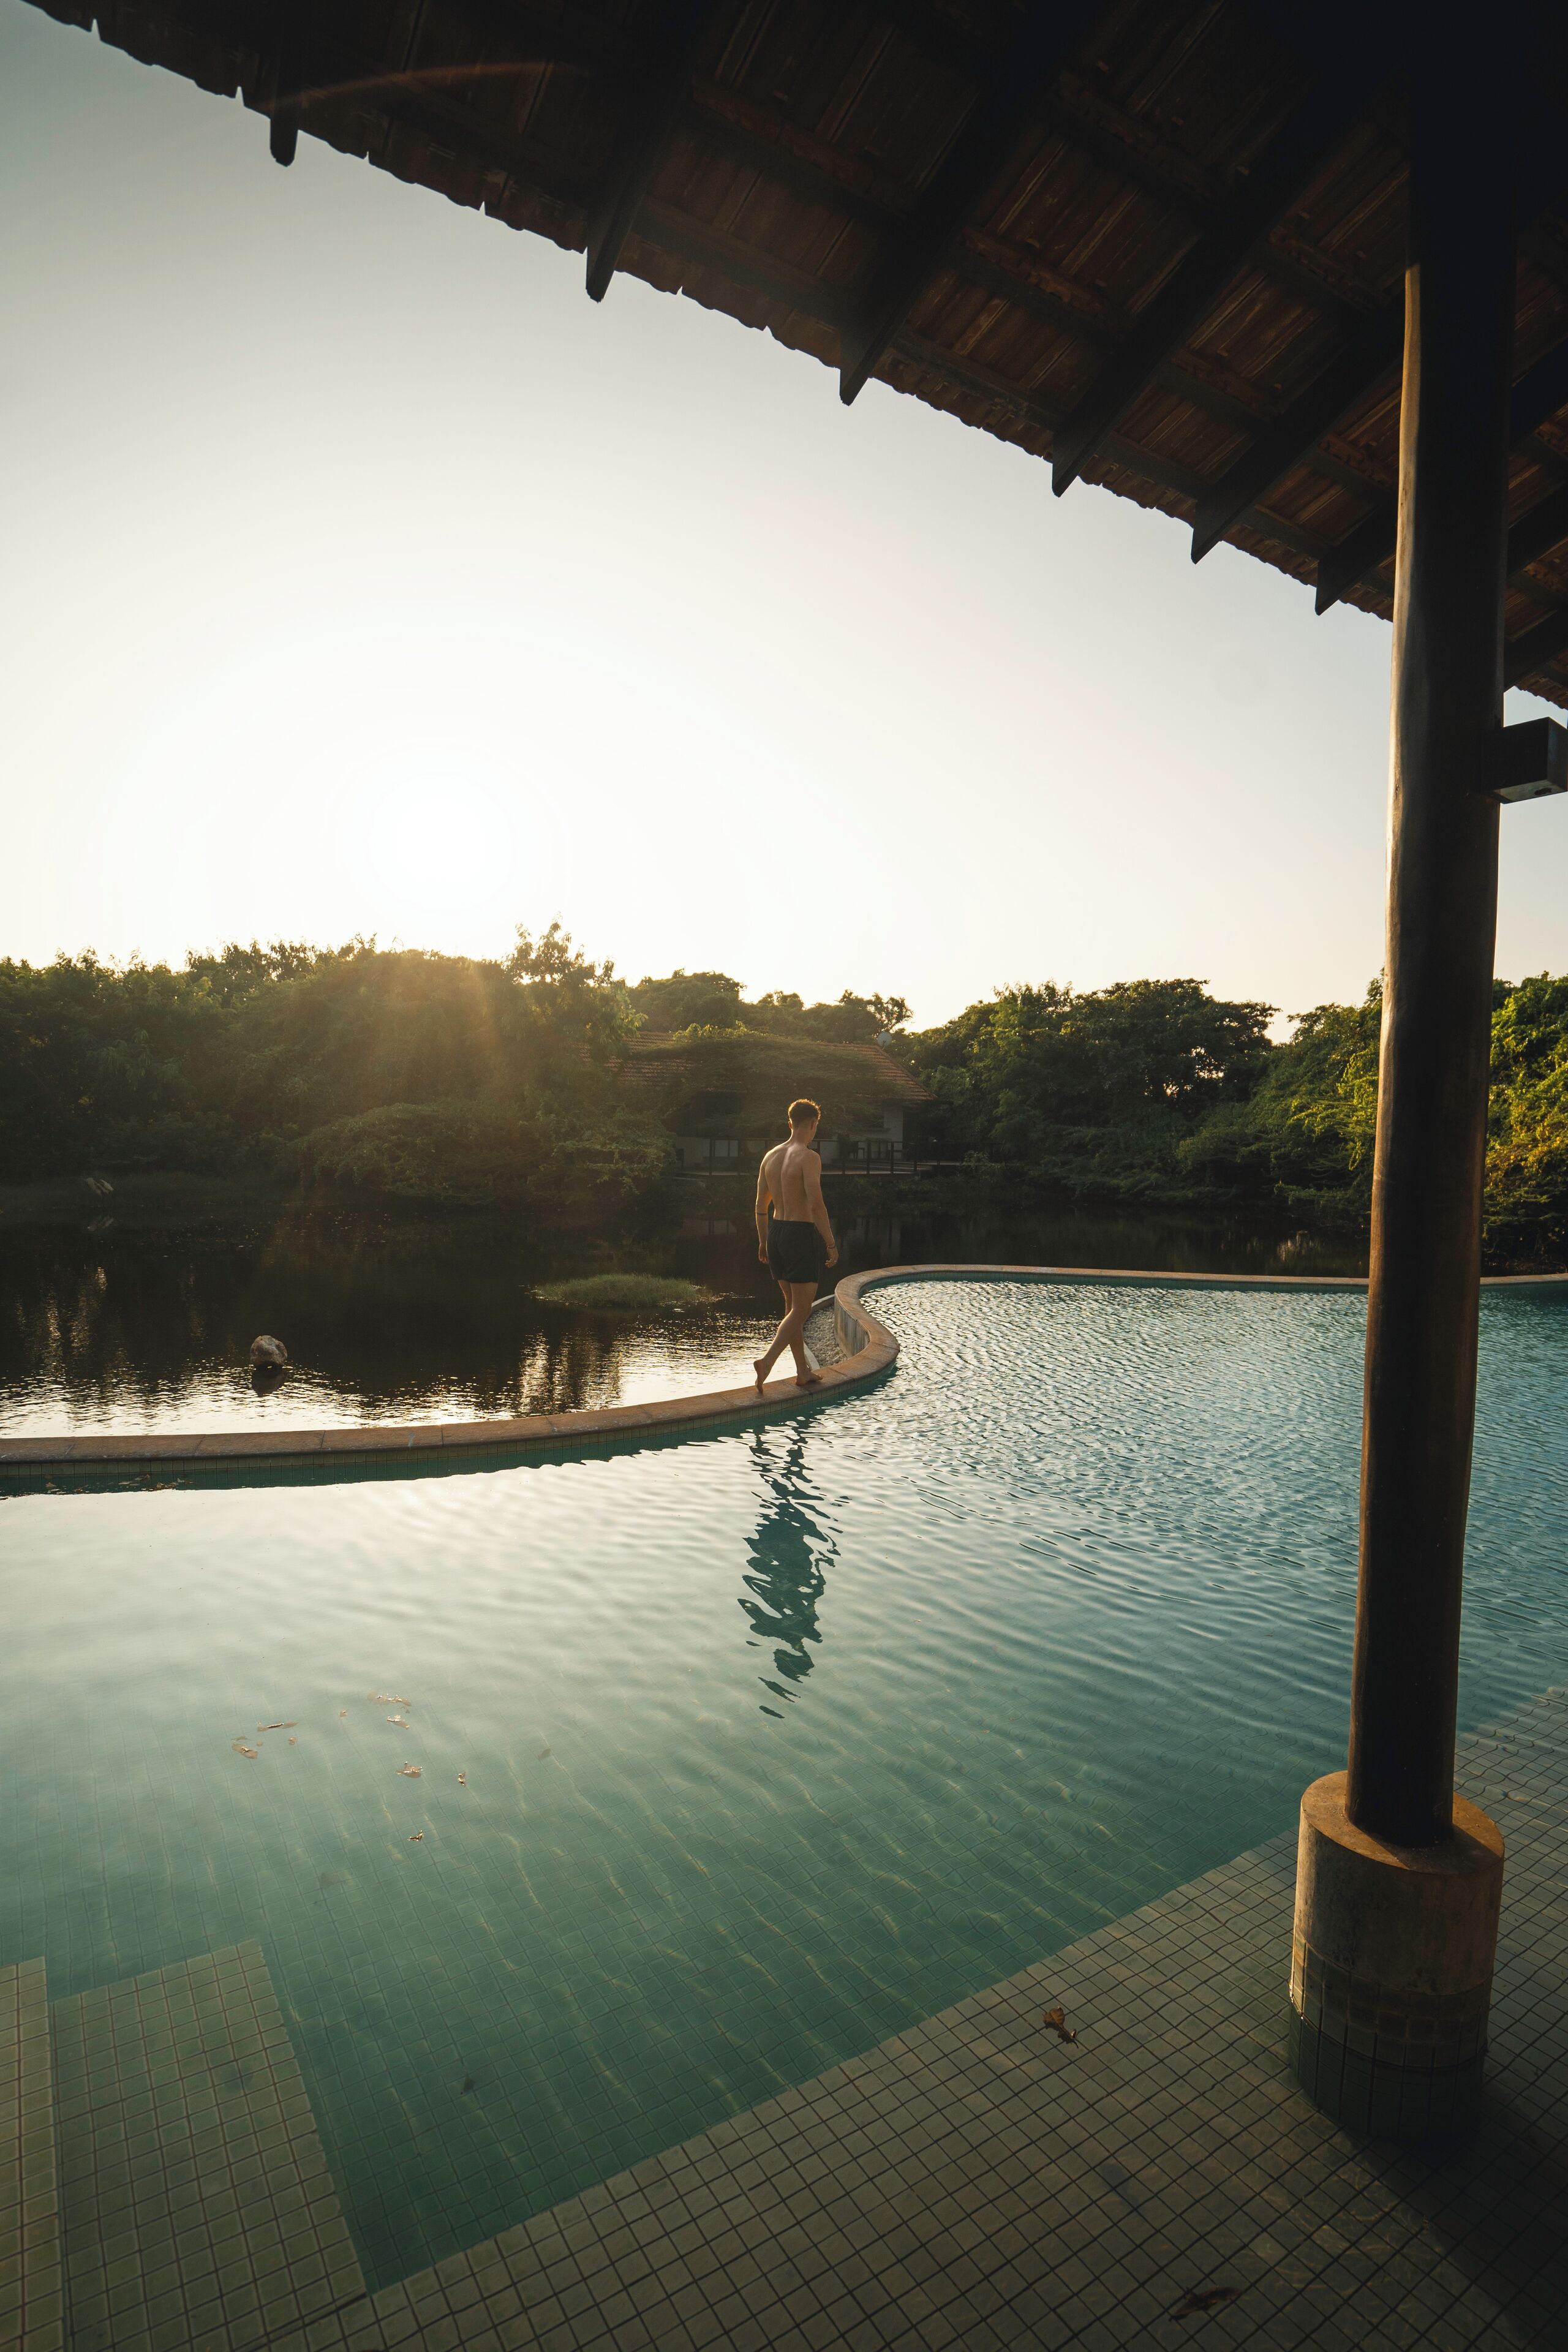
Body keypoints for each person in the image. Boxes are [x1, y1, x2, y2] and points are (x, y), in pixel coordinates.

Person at [753, 1098, 839, 1390]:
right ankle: (767, 1361)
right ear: (813, 1125)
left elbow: (760, 1206)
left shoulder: (770, 1157)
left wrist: (763, 1241)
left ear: (790, 1123)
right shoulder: (808, 1157)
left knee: (792, 1307)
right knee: (802, 1310)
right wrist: (831, 1244)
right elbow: (816, 1206)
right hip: (800, 1235)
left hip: (776, 1231)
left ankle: (803, 1371)